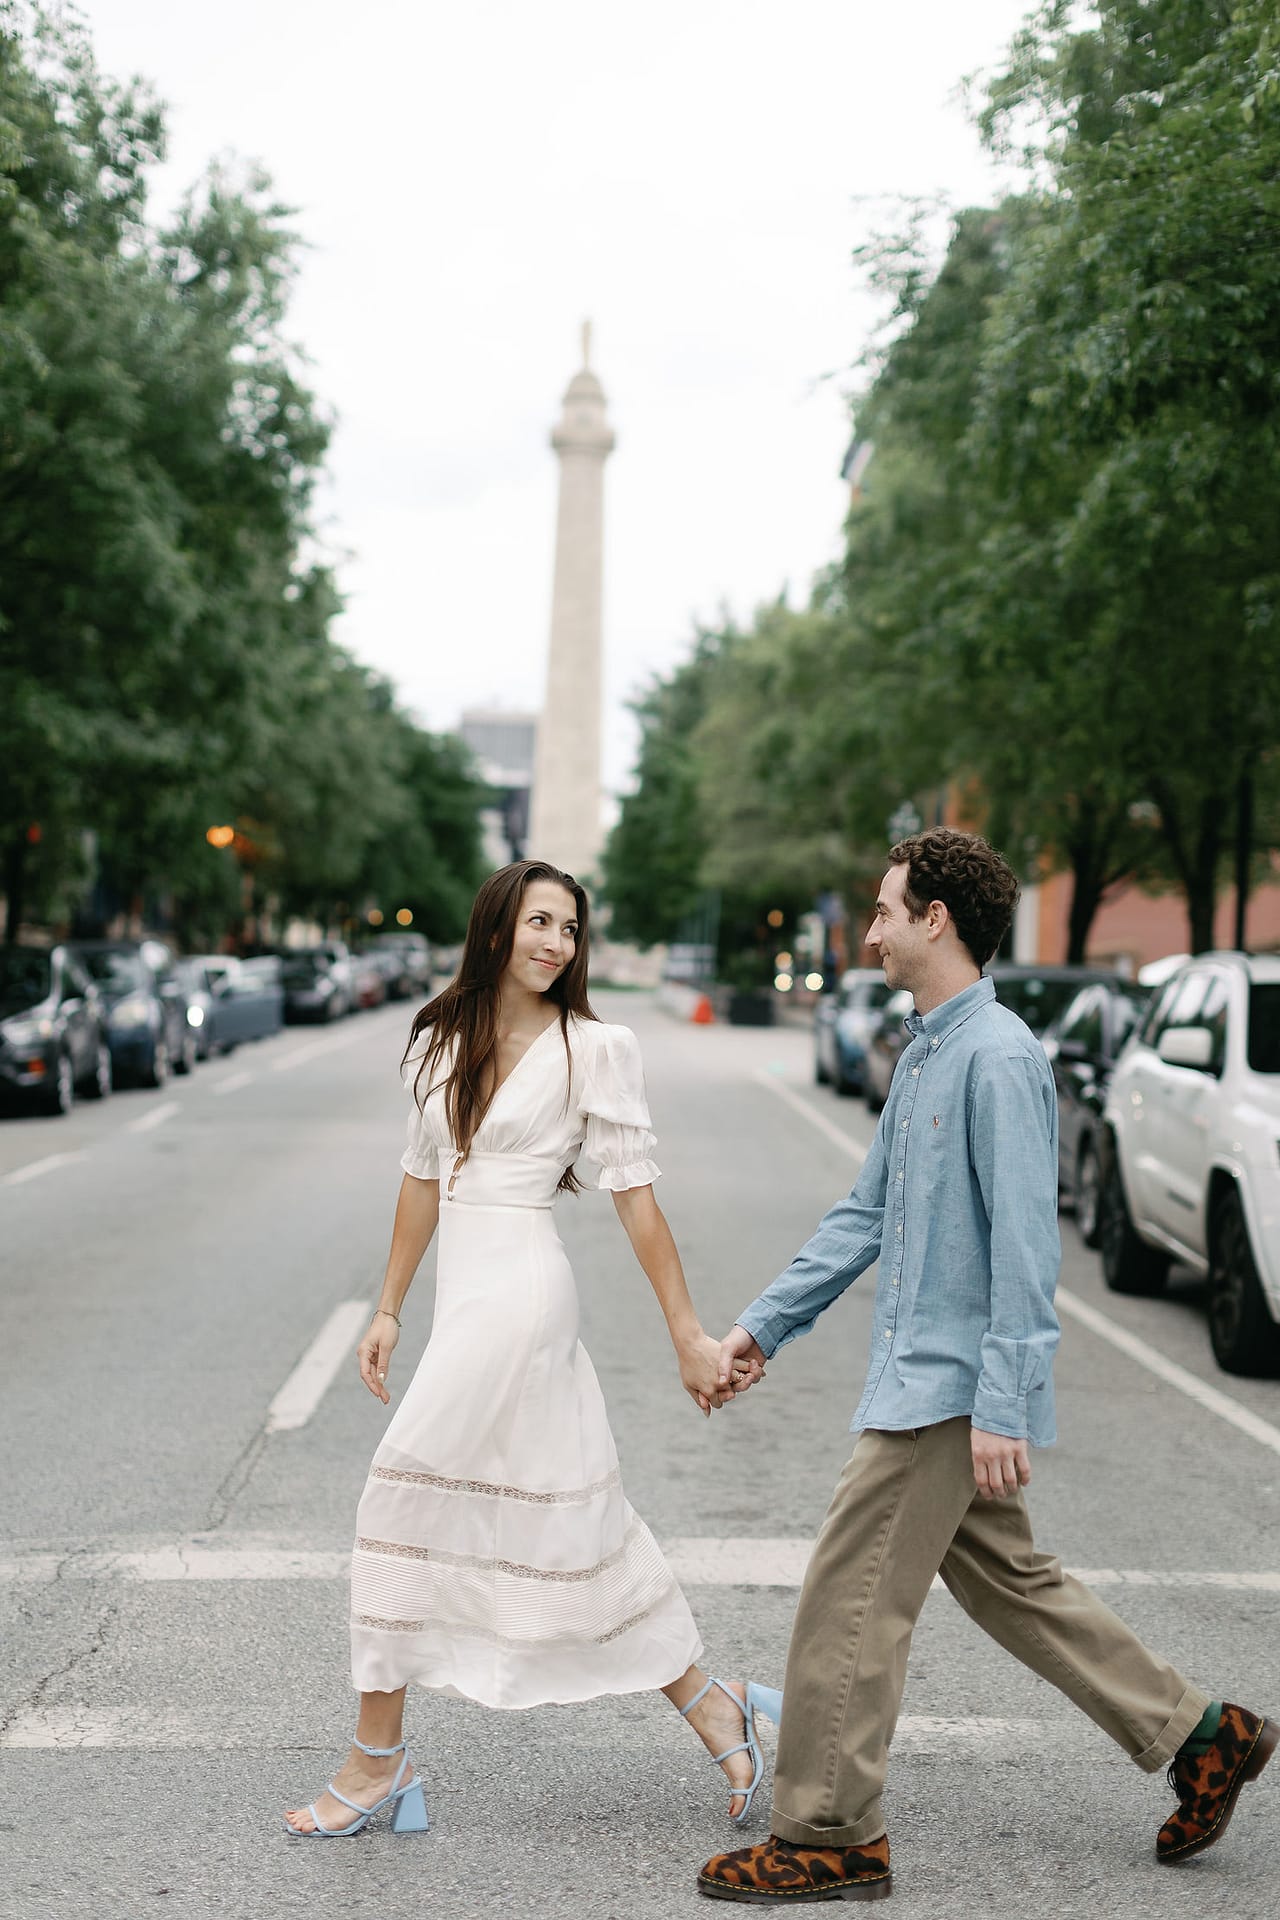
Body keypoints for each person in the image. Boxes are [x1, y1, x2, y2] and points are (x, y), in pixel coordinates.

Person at [696, 828, 1275, 1905]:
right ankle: (1203, 1736)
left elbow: (1024, 1248)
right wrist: (761, 1326)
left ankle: (829, 1831)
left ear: (936, 919)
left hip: (947, 1390)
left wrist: (1001, 1404)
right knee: (1014, 1586)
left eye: (884, 911)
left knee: (847, 1602)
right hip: (923, 1374)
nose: (870, 931)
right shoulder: (928, 1050)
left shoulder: (999, 1058)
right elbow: (863, 1213)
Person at [284, 859, 781, 1839]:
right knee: (571, 1523)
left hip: (522, 1293)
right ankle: (712, 1704)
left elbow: (636, 1202)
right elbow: (421, 1177)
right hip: (464, 1293)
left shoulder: (595, 1048)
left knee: (397, 1499)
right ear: (496, 929)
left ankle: (376, 1763)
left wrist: (686, 1331)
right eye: (540, 922)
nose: (557, 942)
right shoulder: (441, 1038)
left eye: (570, 928)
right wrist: (387, 1307)